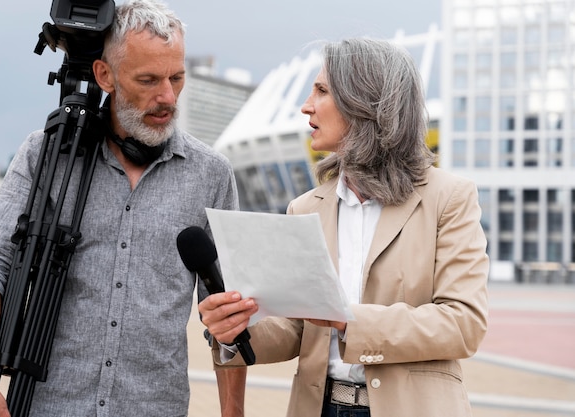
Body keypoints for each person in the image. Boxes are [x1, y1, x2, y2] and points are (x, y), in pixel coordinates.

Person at [0, 1, 242, 416]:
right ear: (105, 75)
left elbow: (226, 313)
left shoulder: (212, 174)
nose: (167, 97)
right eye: (147, 79)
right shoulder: (44, 154)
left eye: (176, 78)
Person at [199, 37, 489, 417]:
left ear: (365, 103)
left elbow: (464, 323)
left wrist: (347, 319)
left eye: (321, 91)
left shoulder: (449, 198)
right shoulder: (304, 207)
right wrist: (235, 332)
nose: (306, 106)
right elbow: (295, 328)